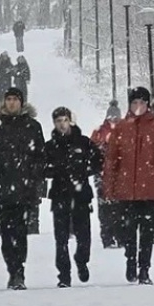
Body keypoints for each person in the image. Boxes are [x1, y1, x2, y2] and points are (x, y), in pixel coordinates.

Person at [103, 87, 154, 285]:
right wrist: (109, 186)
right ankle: (130, 261)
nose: (138, 106)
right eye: (134, 103)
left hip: (148, 191)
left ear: (147, 104)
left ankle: (144, 269)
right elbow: (111, 160)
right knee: (127, 230)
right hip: (125, 191)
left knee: (146, 231)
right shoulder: (121, 128)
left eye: (142, 103)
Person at [0, 87, 44, 290]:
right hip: (3, 189)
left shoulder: (32, 126)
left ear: (21, 102)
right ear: (4, 102)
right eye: (9, 99)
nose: (12, 103)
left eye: (16, 99)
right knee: (6, 234)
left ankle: (19, 272)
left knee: (21, 233)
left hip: (24, 189)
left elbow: (39, 158)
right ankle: (12, 269)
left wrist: (37, 185)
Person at [44, 107, 103, 288]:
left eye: (64, 120)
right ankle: (63, 274)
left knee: (83, 235)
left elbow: (98, 161)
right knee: (60, 238)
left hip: (81, 195)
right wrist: (55, 171)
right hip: (60, 194)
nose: (61, 124)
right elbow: (43, 167)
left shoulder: (84, 142)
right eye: (58, 121)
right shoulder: (50, 146)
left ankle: (81, 260)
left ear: (70, 121)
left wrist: (85, 171)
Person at [90, 99, 123, 248]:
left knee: (120, 207)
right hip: (103, 175)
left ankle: (119, 236)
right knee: (105, 208)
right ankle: (107, 237)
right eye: (112, 117)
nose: (114, 120)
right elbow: (91, 151)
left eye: (116, 117)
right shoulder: (99, 132)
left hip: (120, 176)